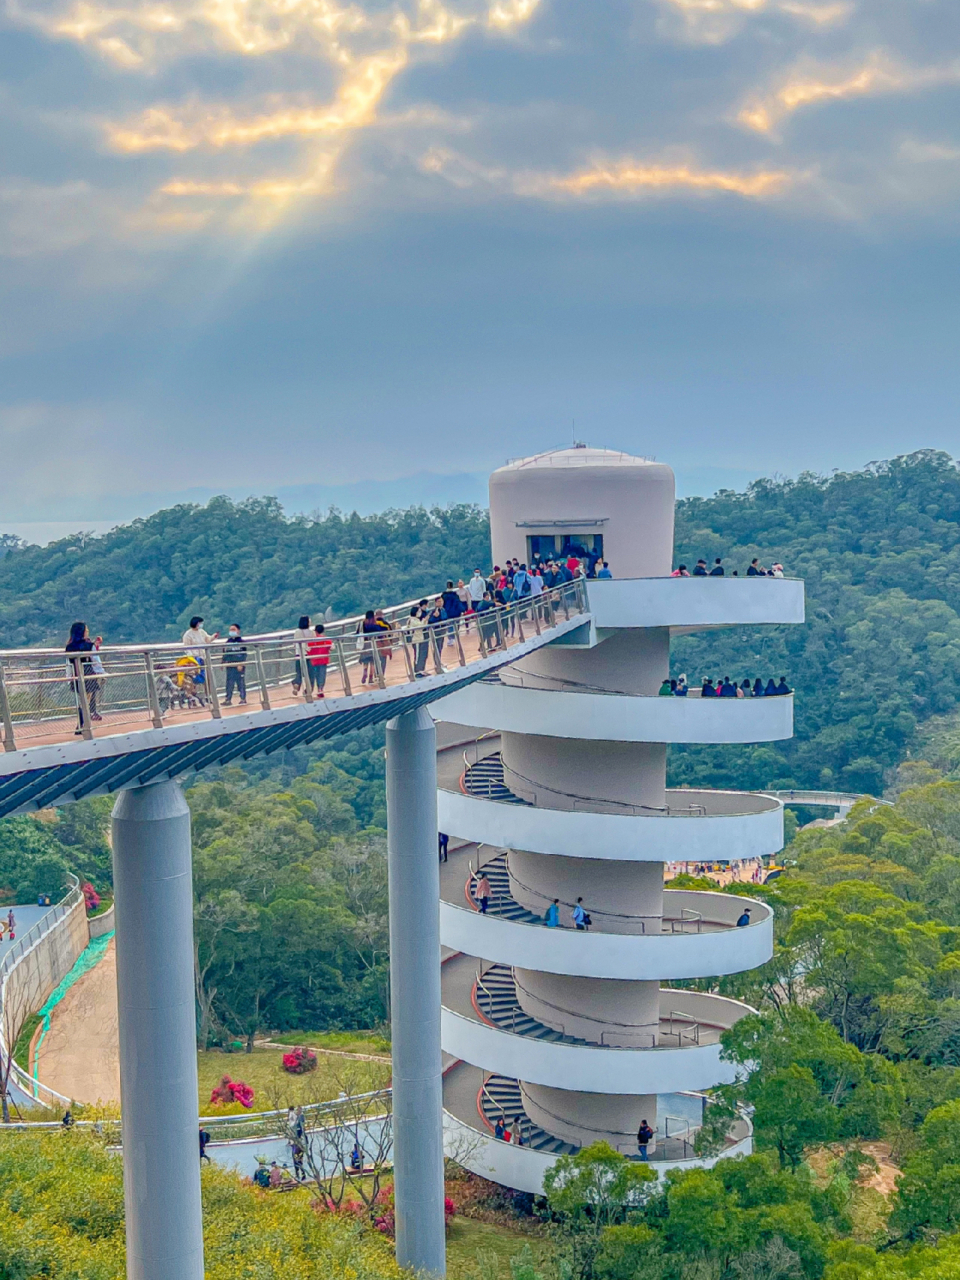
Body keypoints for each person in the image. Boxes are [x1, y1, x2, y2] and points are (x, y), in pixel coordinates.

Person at [66, 621, 98, 734]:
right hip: (88, 674)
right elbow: (96, 662)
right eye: (86, 629)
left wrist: (69, 678)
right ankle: (82, 725)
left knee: (81, 701)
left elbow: (68, 664)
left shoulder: (69, 647)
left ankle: (81, 724)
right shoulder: (89, 646)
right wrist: (102, 673)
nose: (88, 631)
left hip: (76, 675)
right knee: (86, 701)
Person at [182, 616, 218, 697]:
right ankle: (193, 696)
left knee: (208, 677)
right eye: (200, 623)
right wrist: (192, 659)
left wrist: (213, 637)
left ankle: (208, 695)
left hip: (204, 657)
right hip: (194, 659)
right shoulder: (188, 634)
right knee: (194, 679)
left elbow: (207, 640)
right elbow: (187, 648)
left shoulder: (201, 632)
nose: (201, 625)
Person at [221, 624, 247, 705]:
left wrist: (241, 663)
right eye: (230, 630)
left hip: (239, 665)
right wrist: (223, 662)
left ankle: (243, 698)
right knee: (229, 682)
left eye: (233, 629)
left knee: (240, 682)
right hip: (230, 665)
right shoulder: (228, 642)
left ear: (238, 631)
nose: (232, 631)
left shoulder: (241, 642)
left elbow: (244, 654)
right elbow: (225, 653)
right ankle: (228, 699)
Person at [306, 624, 332, 696]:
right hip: (323, 660)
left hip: (314, 660)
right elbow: (331, 647)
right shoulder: (325, 639)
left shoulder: (312, 640)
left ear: (315, 631)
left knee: (314, 675)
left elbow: (308, 649)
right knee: (322, 675)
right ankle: (320, 689)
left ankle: (311, 689)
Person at [358, 611, 381, 685]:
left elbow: (358, 632)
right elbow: (379, 633)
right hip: (373, 643)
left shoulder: (362, 623)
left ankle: (365, 671)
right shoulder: (375, 623)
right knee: (372, 662)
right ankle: (371, 678)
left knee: (365, 661)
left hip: (365, 644)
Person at [291, 615, 312, 693]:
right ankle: (308, 689)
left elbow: (294, 643)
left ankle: (296, 684)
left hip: (298, 654)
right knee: (309, 673)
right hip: (308, 654)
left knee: (299, 672)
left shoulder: (297, 631)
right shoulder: (310, 632)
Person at [408, 604, 429, 677]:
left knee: (420, 655)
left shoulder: (416, 620)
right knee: (417, 655)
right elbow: (420, 626)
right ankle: (417, 671)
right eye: (419, 611)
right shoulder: (412, 620)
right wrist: (424, 620)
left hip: (419, 639)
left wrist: (424, 621)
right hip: (416, 640)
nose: (420, 613)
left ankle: (421, 670)